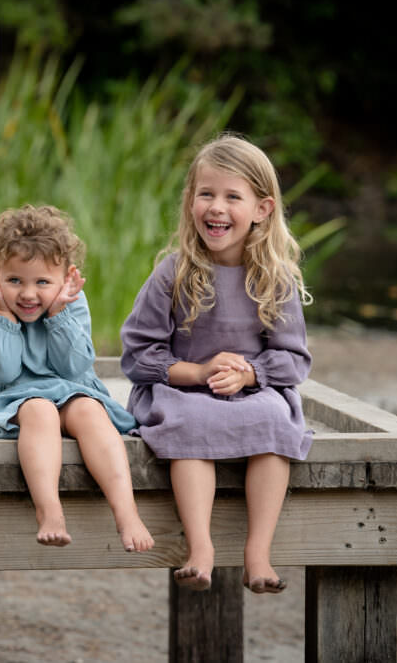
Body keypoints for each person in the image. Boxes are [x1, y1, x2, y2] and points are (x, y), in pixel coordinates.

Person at [120, 133, 312, 593]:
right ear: (190, 201)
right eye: (206, 194)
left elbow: (294, 359)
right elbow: (138, 354)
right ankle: (201, 547)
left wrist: (252, 373)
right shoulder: (174, 272)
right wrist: (199, 372)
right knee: (191, 423)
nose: (216, 208)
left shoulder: (275, 278)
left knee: (272, 420)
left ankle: (258, 553)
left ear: (262, 208)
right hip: (182, 390)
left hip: (252, 391)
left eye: (232, 197)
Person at [0, 204, 154, 553]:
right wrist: (4, 314)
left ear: (66, 278)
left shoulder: (72, 303)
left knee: (91, 412)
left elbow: (75, 367)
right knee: (40, 410)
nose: (28, 294)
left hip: (71, 389)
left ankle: (127, 512)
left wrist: (59, 313)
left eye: (42, 282)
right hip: (14, 396)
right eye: (15, 280)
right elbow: (1, 371)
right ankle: (50, 511)